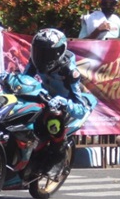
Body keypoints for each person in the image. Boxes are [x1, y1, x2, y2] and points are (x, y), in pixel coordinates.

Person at [24, 28, 94, 172]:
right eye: (39, 52)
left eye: (47, 54)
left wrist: (64, 102)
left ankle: (58, 154)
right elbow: (25, 79)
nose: (41, 57)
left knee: (53, 118)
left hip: (66, 103)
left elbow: (81, 108)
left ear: (59, 52)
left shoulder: (69, 71)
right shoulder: (34, 61)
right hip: (46, 97)